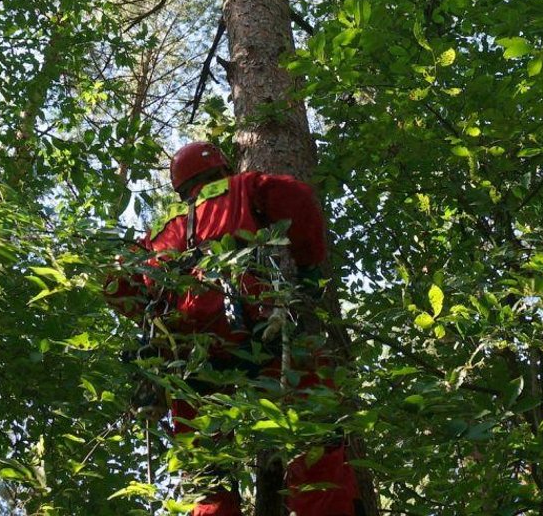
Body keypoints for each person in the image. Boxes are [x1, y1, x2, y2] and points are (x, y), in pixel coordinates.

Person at [104, 141, 360, 516]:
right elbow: (297, 195)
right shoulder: (243, 187)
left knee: (207, 472)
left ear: (180, 186)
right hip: (255, 328)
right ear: (222, 168)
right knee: (315, 430)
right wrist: (307, 267)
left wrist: (150, 312)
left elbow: (114, 283)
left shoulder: (160, 231)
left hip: (188, 357)